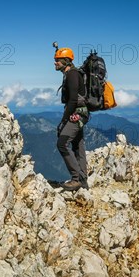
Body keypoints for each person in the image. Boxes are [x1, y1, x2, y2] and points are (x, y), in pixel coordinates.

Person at [54, 47, 89, 191]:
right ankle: (83, 181)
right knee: (77, 145)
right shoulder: (70, 73)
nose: (55, 63)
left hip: (77, 113)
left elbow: (73, 100)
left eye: (57, 61)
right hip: (80, 113)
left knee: (62, 143)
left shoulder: (72, 75)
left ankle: (76, 179)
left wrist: (63, 121)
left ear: (65, 61)